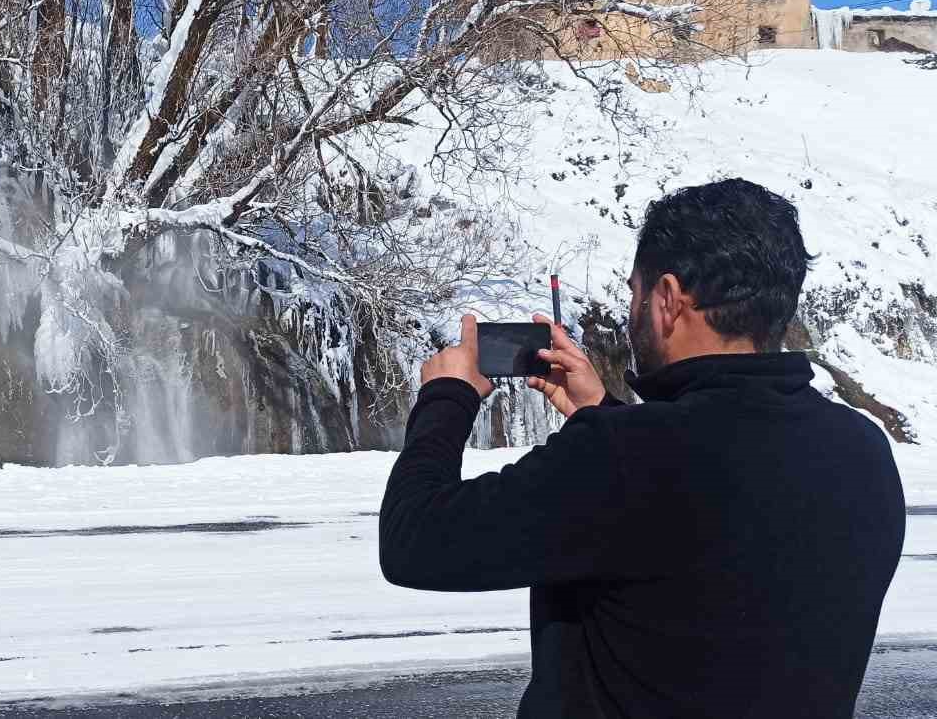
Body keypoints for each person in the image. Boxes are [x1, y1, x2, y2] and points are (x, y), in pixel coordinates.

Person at [379, 178, 905, 718]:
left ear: (669, 299)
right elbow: (705, 539)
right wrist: (604, 413)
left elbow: (415, 540)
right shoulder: (862, 450)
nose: (633, 310)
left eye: (635, 292)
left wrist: (446, 398)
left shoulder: (625, 457)